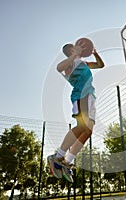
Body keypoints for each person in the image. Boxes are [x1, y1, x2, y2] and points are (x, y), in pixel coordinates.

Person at [47, 40, 104, 182]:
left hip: (90, 97)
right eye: (75, 47)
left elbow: (100, 65)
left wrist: (95, 53)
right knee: (82, 127)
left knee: (88, 131)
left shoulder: (83, 63)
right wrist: (75, 55)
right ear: (72, 50)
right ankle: (57, 157)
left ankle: (67, 162)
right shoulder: (70, 63)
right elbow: (58, 68)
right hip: (80, 96)